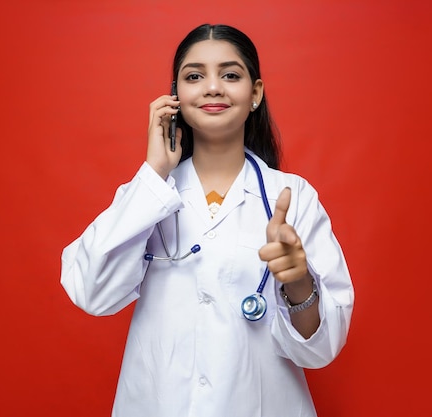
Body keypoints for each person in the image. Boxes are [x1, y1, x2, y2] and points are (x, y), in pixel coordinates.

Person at [61, 23, 354, 417]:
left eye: (230, 75)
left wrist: (298, 280)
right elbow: (90, 292)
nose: (212, 87)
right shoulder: (148, 194)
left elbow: (319, 351)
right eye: (194, 76)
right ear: (175, 96)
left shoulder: (293, 196)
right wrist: (153, 172)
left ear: (255, 94)